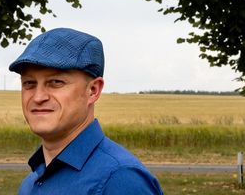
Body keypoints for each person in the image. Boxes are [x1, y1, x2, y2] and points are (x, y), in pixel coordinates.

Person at [9, 27, 164, 194]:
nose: (38, 97)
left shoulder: (120, 179)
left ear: (93, 90)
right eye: (29, 84)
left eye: (56, 82)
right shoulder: (30, 183)